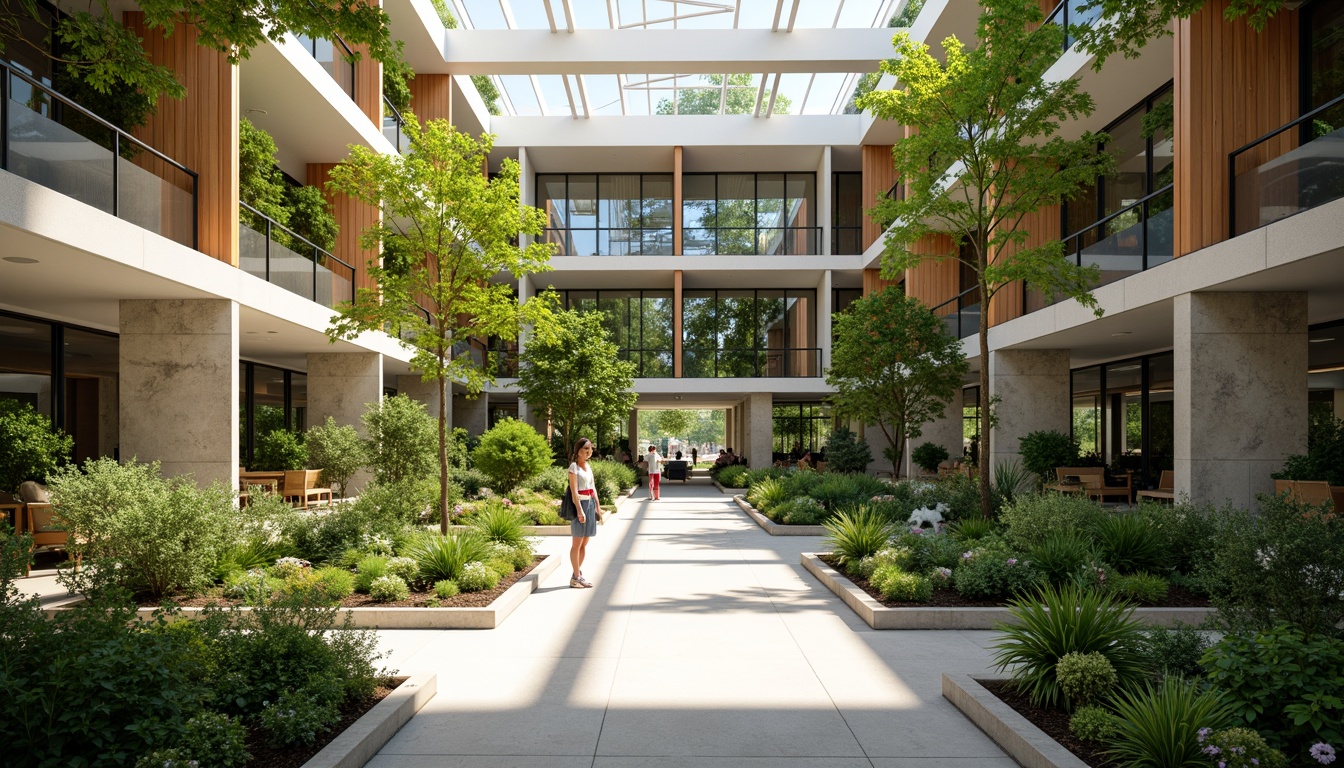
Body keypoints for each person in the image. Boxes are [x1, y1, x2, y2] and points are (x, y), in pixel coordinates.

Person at [567, 437, 603, 589]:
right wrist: (579, 510)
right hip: (580, 504)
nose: (589, 452)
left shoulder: (588, 466)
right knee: (577, 543)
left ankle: (576, 575)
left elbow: (593, 487)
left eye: (590, 449)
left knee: (584, 543)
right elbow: (574, 491)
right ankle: (576, 576)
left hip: (590, 503)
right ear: (578, 451)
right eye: (585, 449)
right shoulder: (574, 467)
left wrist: (598, 507)